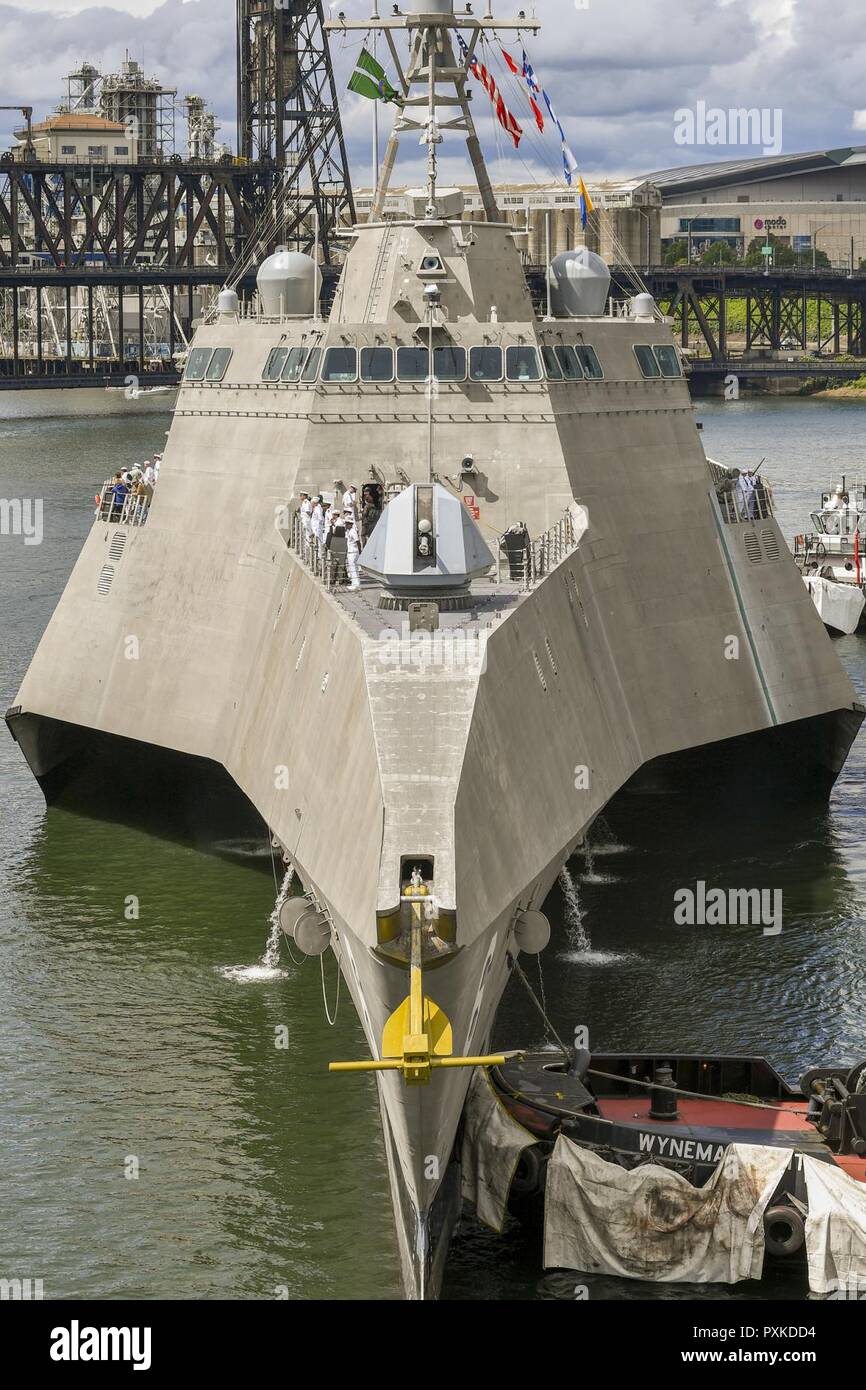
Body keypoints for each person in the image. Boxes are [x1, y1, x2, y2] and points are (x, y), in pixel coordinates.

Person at [345, 513, 361, 590]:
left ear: (349, 524)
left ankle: (355, 584)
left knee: (353, 567)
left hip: (353, 552)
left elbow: (357, 541)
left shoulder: (352, 531)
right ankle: (355, 583)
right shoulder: (349, 531)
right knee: (353, 567)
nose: (345, 525)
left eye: (346, 524)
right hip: (351, 551)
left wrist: (360, 551)